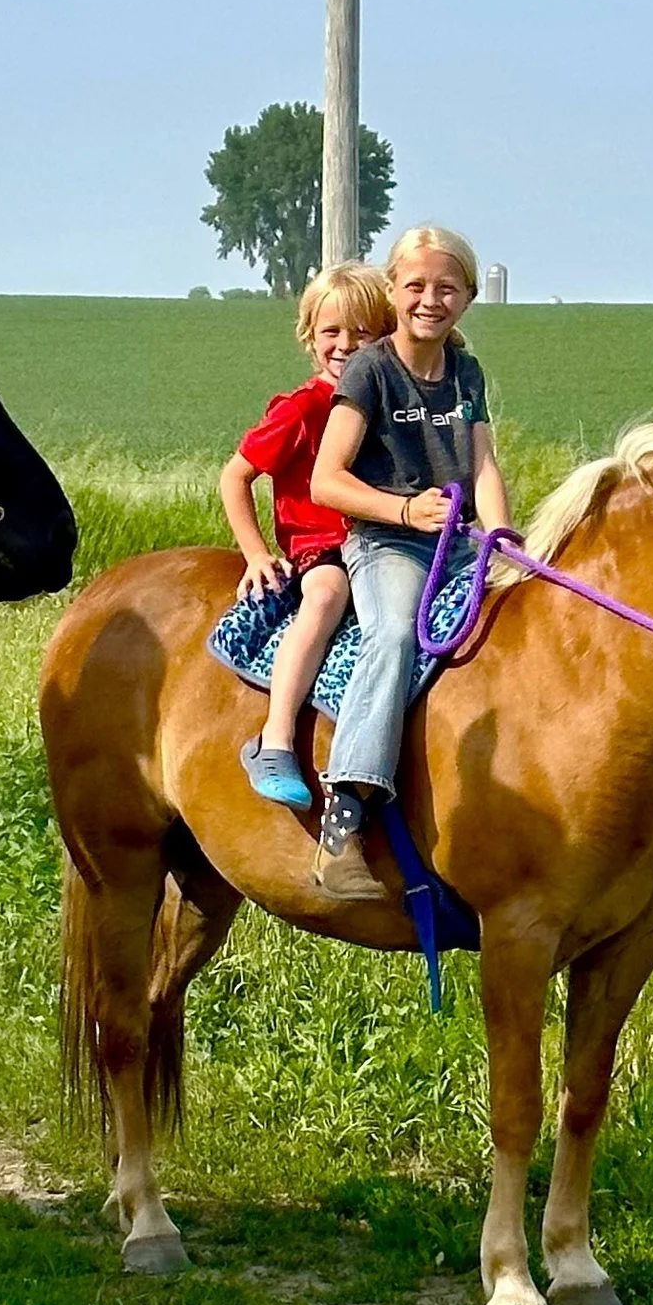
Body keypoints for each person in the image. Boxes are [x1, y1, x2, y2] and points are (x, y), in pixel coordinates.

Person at [303, 222, 512, 900]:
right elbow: (326, 480)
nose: (430, 299)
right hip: (386, 541)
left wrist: (505, 537)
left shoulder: (466, 371)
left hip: (458, 541)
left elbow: (481, 462)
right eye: (416, 285)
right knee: (393, 634)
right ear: (392, 290)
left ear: (469, 297)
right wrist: (403, 511)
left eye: (446, 288)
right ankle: (344, 821)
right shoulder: (371, 369)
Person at [218, 261, 391, 808]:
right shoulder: (303, 408)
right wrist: (254, 552)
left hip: (383, 538)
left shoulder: (385, 404)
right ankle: (276, 738)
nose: (346, 344)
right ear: (310, 338)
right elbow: (235, 475)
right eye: (332, 332)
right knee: (326, 596)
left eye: (362, 331)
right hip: (322, 543)